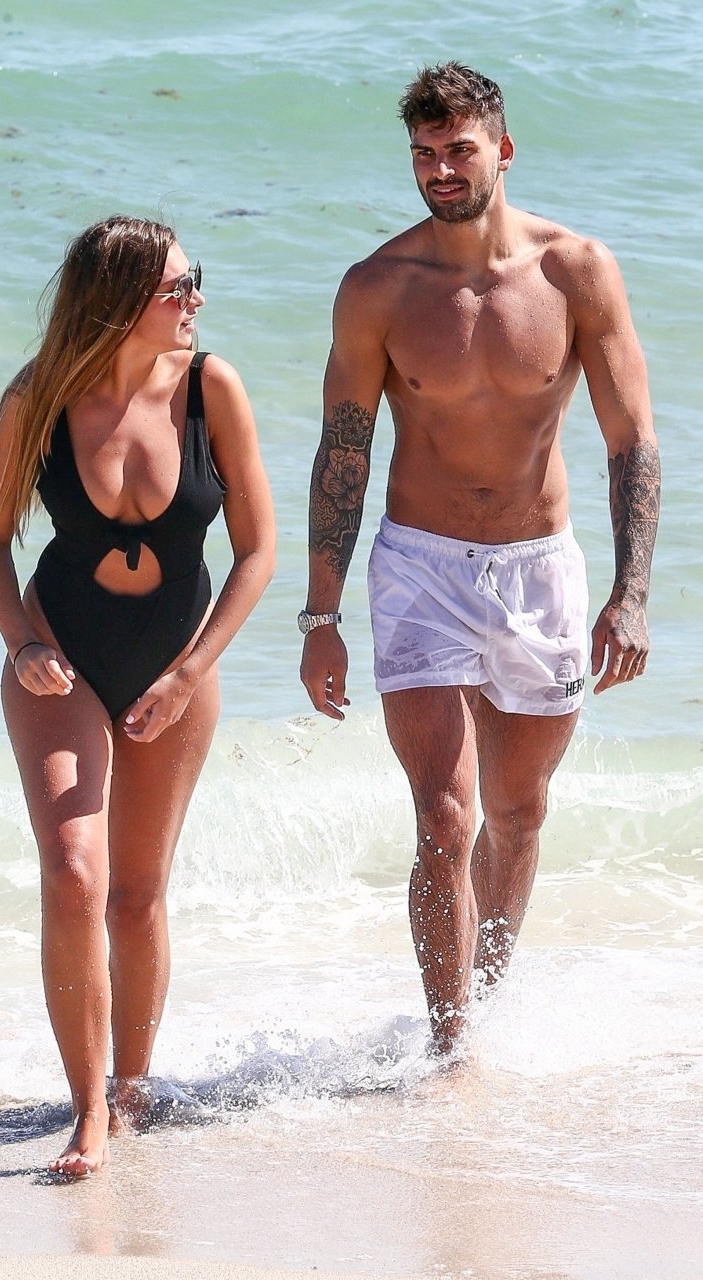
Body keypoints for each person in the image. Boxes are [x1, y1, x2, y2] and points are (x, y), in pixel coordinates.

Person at [299, 63, 659, 1055]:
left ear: (502, 148)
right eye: (423, 153)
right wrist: (320, 616)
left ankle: (487, 1003)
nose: (440, 170)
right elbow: (342, 454)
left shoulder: (575, 271)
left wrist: (630, 594)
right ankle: (450, 1044)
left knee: (518, 810)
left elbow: (630, 439)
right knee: (444, 819)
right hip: (419, 568)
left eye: (458, 149)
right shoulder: (377, 288)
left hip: (540, 568)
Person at [0, 215, 275, 1173]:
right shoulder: (38, 399)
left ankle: (134, 1091)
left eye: (194, 280)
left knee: (137, 898)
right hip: (59, 653)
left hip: (175, 661)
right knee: (74, 873)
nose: (195, 300)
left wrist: (189, 673)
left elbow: (257, 551)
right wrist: (21, 643)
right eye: (176, 287)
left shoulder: (211, 388)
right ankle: (89, 1111)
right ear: (117, 301)